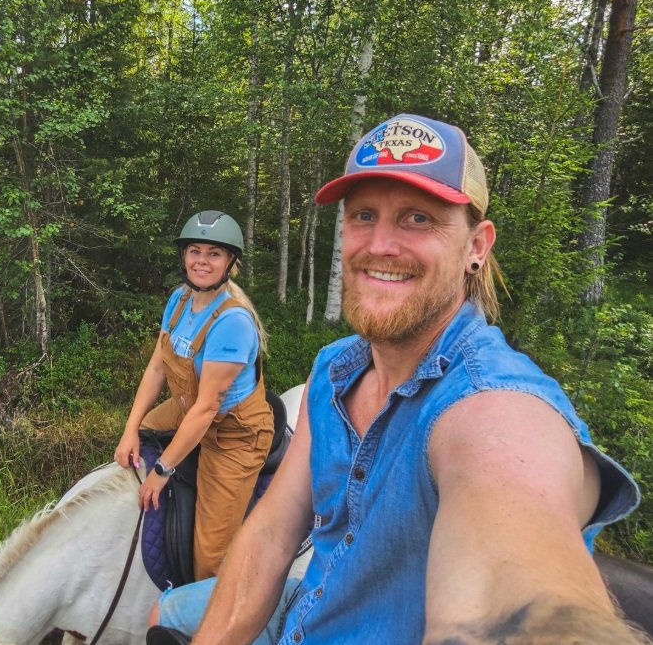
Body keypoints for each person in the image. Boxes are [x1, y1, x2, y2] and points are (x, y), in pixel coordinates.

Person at [148, 114, 644, 643]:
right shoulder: (333, 370)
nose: (380, 245)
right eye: (364, 215)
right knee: (166, 613)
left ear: (476, 246)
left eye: (418, 219)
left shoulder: (495, 405)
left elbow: (516, 565)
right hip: (309, 607)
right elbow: (272, 531)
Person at [114, 210, 274, 581]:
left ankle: (217, 601)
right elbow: (157, 369)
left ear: (230, 262)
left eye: (214, 253)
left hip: (232, 433)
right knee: (144, 433)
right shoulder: (180, 300)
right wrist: (130, 429)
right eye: (195, 251)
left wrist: (161, 471)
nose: (202, 261)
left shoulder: (232, 322)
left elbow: (206, 409)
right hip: (187, 407)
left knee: (210, 558)